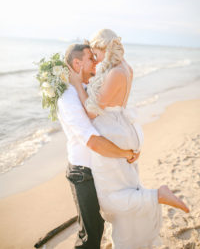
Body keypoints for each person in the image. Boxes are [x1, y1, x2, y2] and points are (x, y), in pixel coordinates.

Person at [68, 29, 190, 249]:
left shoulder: (116, 72)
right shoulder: (124, 68)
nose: (95, 59)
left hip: (112, 132)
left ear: (103, 47)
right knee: (126, 189)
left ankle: (156, 195)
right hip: (121, 127)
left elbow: (91, 111)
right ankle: (128, 241)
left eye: (95, 53)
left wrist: (77, 84)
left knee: (110, 199)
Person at [57, 43, 139, 249]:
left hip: (101, 169)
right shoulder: (68, 98)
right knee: (91, 234)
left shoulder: (86, 88)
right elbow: (92, 140)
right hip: (83, 173)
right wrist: (125, 153)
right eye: (91, 59)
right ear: (77, 63)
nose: (97, 62)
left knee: (111, 219)